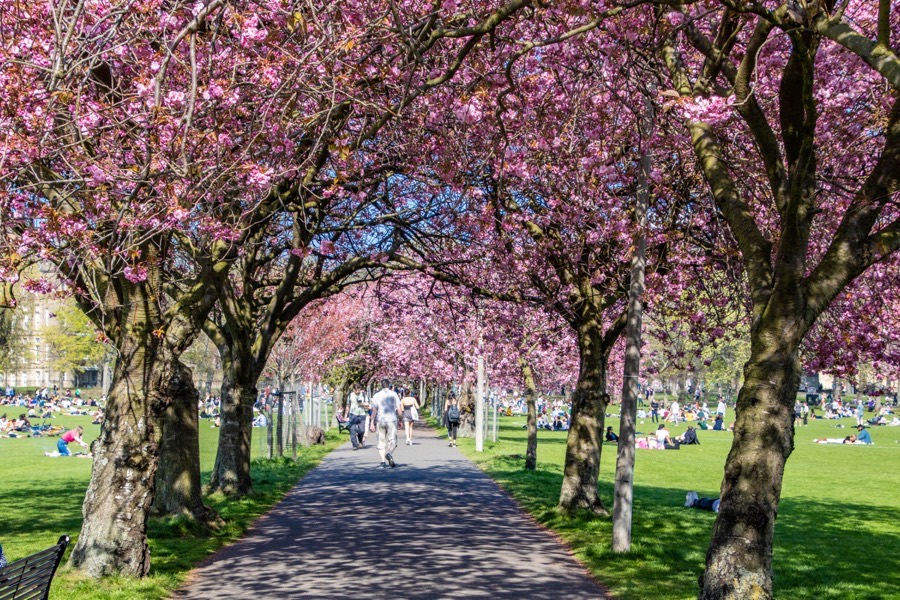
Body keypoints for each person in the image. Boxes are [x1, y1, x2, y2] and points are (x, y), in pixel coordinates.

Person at [369, 379, 402, 469]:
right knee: (393, 440)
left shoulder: (376, 395)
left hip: (380, 420)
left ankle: (383, 462)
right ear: (389, 385)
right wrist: (400, 420)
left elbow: (374, 410)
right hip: (392, 420)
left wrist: (372, 422)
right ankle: (389, 454)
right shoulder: (394, 394)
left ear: (381, 385)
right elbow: (399, 408)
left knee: (381, 442)